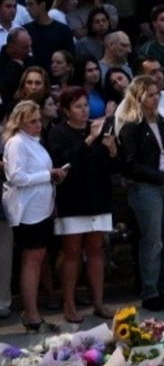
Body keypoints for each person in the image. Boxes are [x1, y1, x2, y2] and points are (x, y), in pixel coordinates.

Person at [116, 75, 164, 312]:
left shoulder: (162, 121)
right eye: (150, 94)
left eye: (157, 93)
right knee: (153, 240)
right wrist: (160, 177)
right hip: (146, 186)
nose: (156, 98)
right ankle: (151, 290)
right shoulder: (131, 127)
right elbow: (130, 164)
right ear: (139, 97)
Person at [47, 86, 119, 322]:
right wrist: (89, 140)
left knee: (96, 250)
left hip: (98, 196)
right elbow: (64, 161)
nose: (83, 110)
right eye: (78, 106)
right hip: (72, 198)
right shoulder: (59, 132)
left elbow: (110, 167)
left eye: (85, 105)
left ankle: (99, 301)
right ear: (66, 110)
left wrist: (111, 151)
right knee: (72, 252)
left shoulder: (98, 129)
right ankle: (69, 304)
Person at [2, 99, 66, 329]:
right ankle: (31, 312)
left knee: (37, 259)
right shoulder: (17, 143)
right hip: (27, 211)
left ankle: (33, 310)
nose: (38, 125)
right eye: (33, 121)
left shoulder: (34, 142)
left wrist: (53, 176)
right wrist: (47, 175)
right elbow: (16, 176)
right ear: (21, 122)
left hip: (41, 208)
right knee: (31, 259)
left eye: (39, 120)